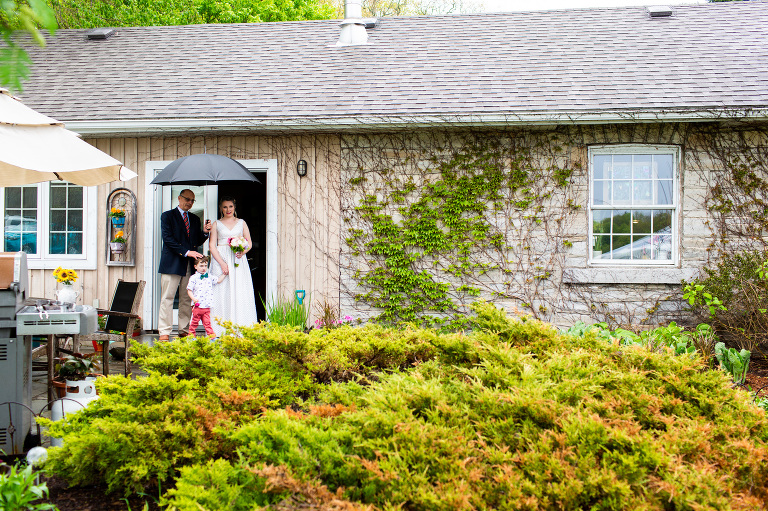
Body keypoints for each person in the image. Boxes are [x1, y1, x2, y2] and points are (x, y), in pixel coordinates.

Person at [157, 189, 212, 341]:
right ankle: (164, 331)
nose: (189, 202)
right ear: (179, 198)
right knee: (167, 298)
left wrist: (205, 233)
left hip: (188, 266)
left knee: (186, 299)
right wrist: (188, 252)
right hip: (171, 264)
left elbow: (196, 241)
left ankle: (183, 329)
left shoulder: (194, 219)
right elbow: (168, 239)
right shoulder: (167, 216)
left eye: (192, 200)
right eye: (187, 199)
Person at [209, 196, 258, 336]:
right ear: (221, 209)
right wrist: (222, 263)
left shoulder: (241, 223)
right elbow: (212, 246)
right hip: (221, 259)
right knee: (222, 292)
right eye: (225, 207)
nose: (228, 209)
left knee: (239, 291)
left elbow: (249, 242)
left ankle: (241, 326)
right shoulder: (216, 224)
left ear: (234, 207)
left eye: (230, 206)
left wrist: (243, 251)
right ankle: (220, 328)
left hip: (237, 260)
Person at [186, 256, 227, 338]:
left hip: (207, 306)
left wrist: (224, 274)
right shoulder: (193, 278)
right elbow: (189, 290)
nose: (204, 268)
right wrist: (193, 299)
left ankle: (212, 337)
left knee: (207, 323)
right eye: (201, 266)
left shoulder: (209, 276)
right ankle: (191, 337)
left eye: (205, 265)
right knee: (194, 322)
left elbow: (218, 280)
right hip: (197, 305)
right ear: (195, 267)